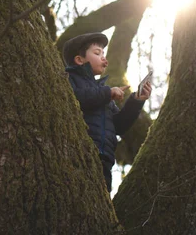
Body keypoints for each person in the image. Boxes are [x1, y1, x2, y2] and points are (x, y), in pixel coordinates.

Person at [63, 32, 152, 192]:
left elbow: (118, 126)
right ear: (79, 59)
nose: (104, 58)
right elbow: (77, 98)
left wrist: (136, 101)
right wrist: (108, 93)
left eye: (104, 53)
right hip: (80, 151)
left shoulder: (101, 91)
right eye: (97, 53)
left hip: (106, 159)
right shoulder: (70, 79)